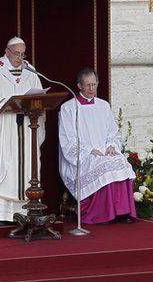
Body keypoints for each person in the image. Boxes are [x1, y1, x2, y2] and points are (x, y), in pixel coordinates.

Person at [0, 37, 45, 223]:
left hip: (28, 128)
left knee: (27, 165)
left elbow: (40, 97)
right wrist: (5, 102)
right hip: (3, 130)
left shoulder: (31, 72)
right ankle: (0, 214)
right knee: (4, 166)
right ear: (7, 51)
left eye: (23, 54)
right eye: (17, 54)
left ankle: (28, 211)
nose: (20, 58)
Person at [58, 68, 137, 224]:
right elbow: (68, 139)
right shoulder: (69, 108)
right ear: (79, 86)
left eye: (94, 84)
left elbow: (112, 132)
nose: (91, 89)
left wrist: (111, 146)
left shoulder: (103, 106)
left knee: (121, 163)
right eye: (87, 85)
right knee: (105, 166)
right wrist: (89, 151)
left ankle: (122, 212)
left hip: (104, 152)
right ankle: (103, 213)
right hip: (83, 156)